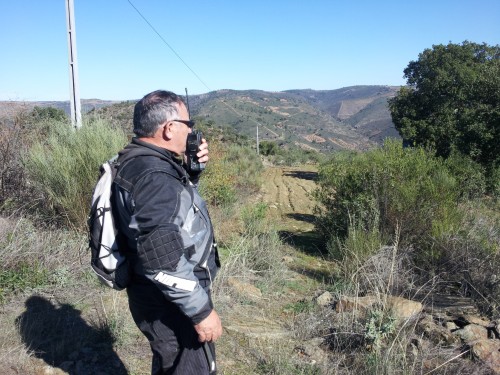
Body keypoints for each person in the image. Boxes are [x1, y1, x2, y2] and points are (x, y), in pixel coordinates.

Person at [112, 90, 222, 374]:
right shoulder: (156, 176)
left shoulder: (135, 159)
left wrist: (191, 174)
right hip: (170, 302)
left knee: (169, 363)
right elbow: (161, 255)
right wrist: (200, 311)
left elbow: (170, 216)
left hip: (152, 292)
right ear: (169, 128)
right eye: (189, 124)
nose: (193, 131)